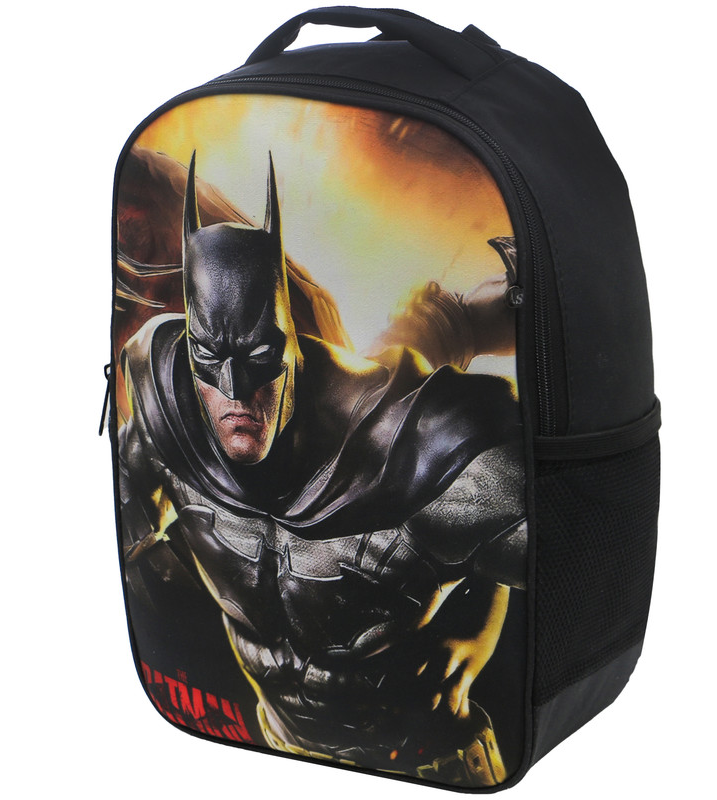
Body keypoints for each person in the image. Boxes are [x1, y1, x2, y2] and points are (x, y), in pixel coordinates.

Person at [118, 151, 526, 787]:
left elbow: (555, 541)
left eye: (257, 358)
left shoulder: (408, 436)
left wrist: (480, 628)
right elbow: (122, 512)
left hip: (428, 761)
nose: (234, 391)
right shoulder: (161, 396)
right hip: (275, 749)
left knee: (423, 341)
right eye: (211, 362)